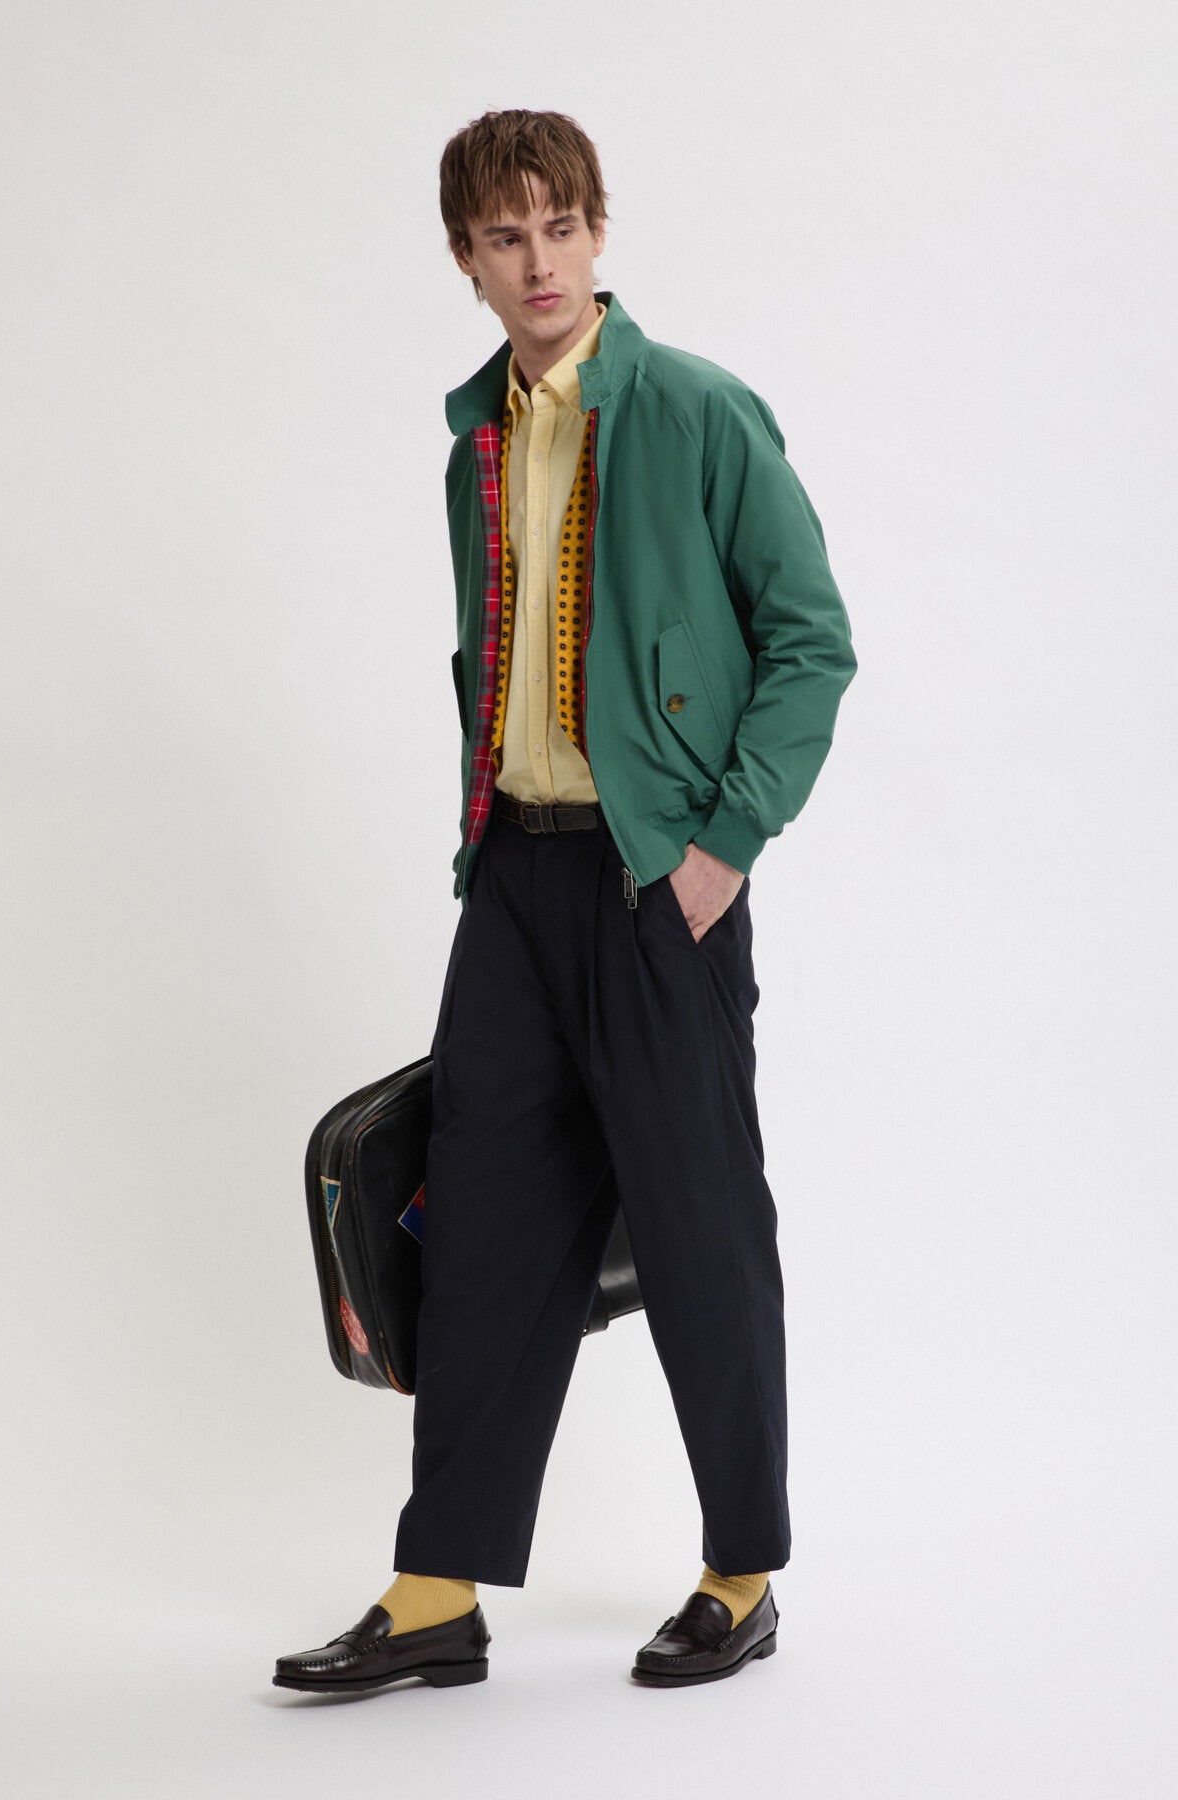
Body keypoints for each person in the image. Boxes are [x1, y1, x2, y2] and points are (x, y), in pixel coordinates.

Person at [274, 106, 857, 1696]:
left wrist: (722, 847)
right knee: (479, 1228)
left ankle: (741, 1570)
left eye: (559, 226)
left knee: (697, 1219)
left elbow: (810, 642)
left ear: (599, 228)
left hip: (657, 879)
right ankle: (435, 1594)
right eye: (502, 237)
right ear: (465, 259)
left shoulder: (697, 411)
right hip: (515, 879)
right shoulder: (475, 441)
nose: (537, 261)